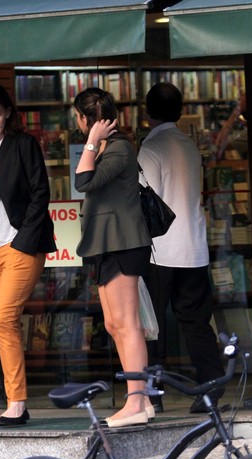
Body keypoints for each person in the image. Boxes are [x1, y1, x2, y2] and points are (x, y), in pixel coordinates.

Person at [0, 85, 57, 427]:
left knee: (5, 319)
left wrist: (23, 240)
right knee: (2, 327)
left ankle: (17, 404)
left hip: (22, 245)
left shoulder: (23, 144)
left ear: (7, 112)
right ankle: (15, 401)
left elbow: (41, 193)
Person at [138, 83, 224, 414]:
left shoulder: (151, 147)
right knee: (198, 323)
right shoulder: (189, 145)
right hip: (194, 247)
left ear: (147, 114)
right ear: (180, 111)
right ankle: (211, 390)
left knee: (151, 325)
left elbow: (147, 202)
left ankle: (153, 394)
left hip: (160, 250)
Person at [73, 87, 154, 428]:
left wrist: (91, 141)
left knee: (127, 323)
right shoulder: (109, 147)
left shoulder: (118, 148)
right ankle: (143, 399)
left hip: (124, 243)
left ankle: (136, 400)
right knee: (112, 323)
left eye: (78, 118)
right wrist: (94, 141)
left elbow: (82, 181)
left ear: (85, 120)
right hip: (107, 243)